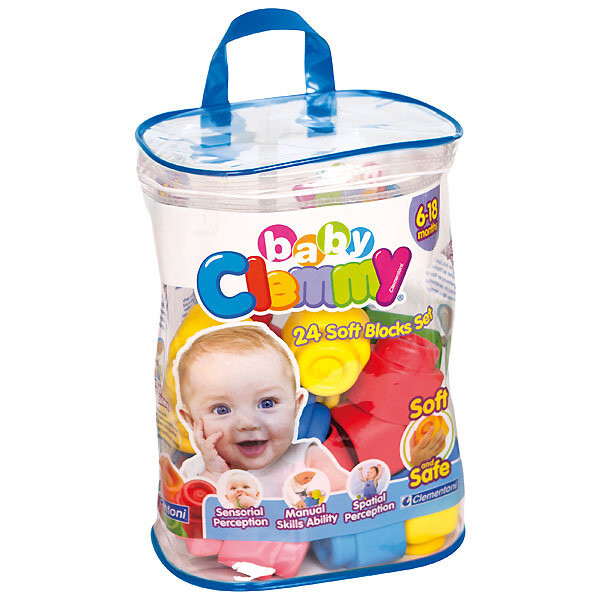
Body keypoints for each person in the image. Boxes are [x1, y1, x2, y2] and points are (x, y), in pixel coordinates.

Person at [176, 324, 348, 496]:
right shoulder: (196, 472)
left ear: (296, 406)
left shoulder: (308, 458)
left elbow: (351, 497)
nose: (248, 423)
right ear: (191, 421)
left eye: (267, 403)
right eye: (221, 410)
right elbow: (196, 511)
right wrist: (215, 475)